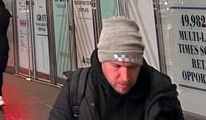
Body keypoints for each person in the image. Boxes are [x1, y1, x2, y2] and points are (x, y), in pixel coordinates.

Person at [49, 17, 185, 120]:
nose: (125, 77)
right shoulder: (78, 87)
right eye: (117, 66)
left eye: (132, 67)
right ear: (102, 60)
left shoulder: (160, 92)